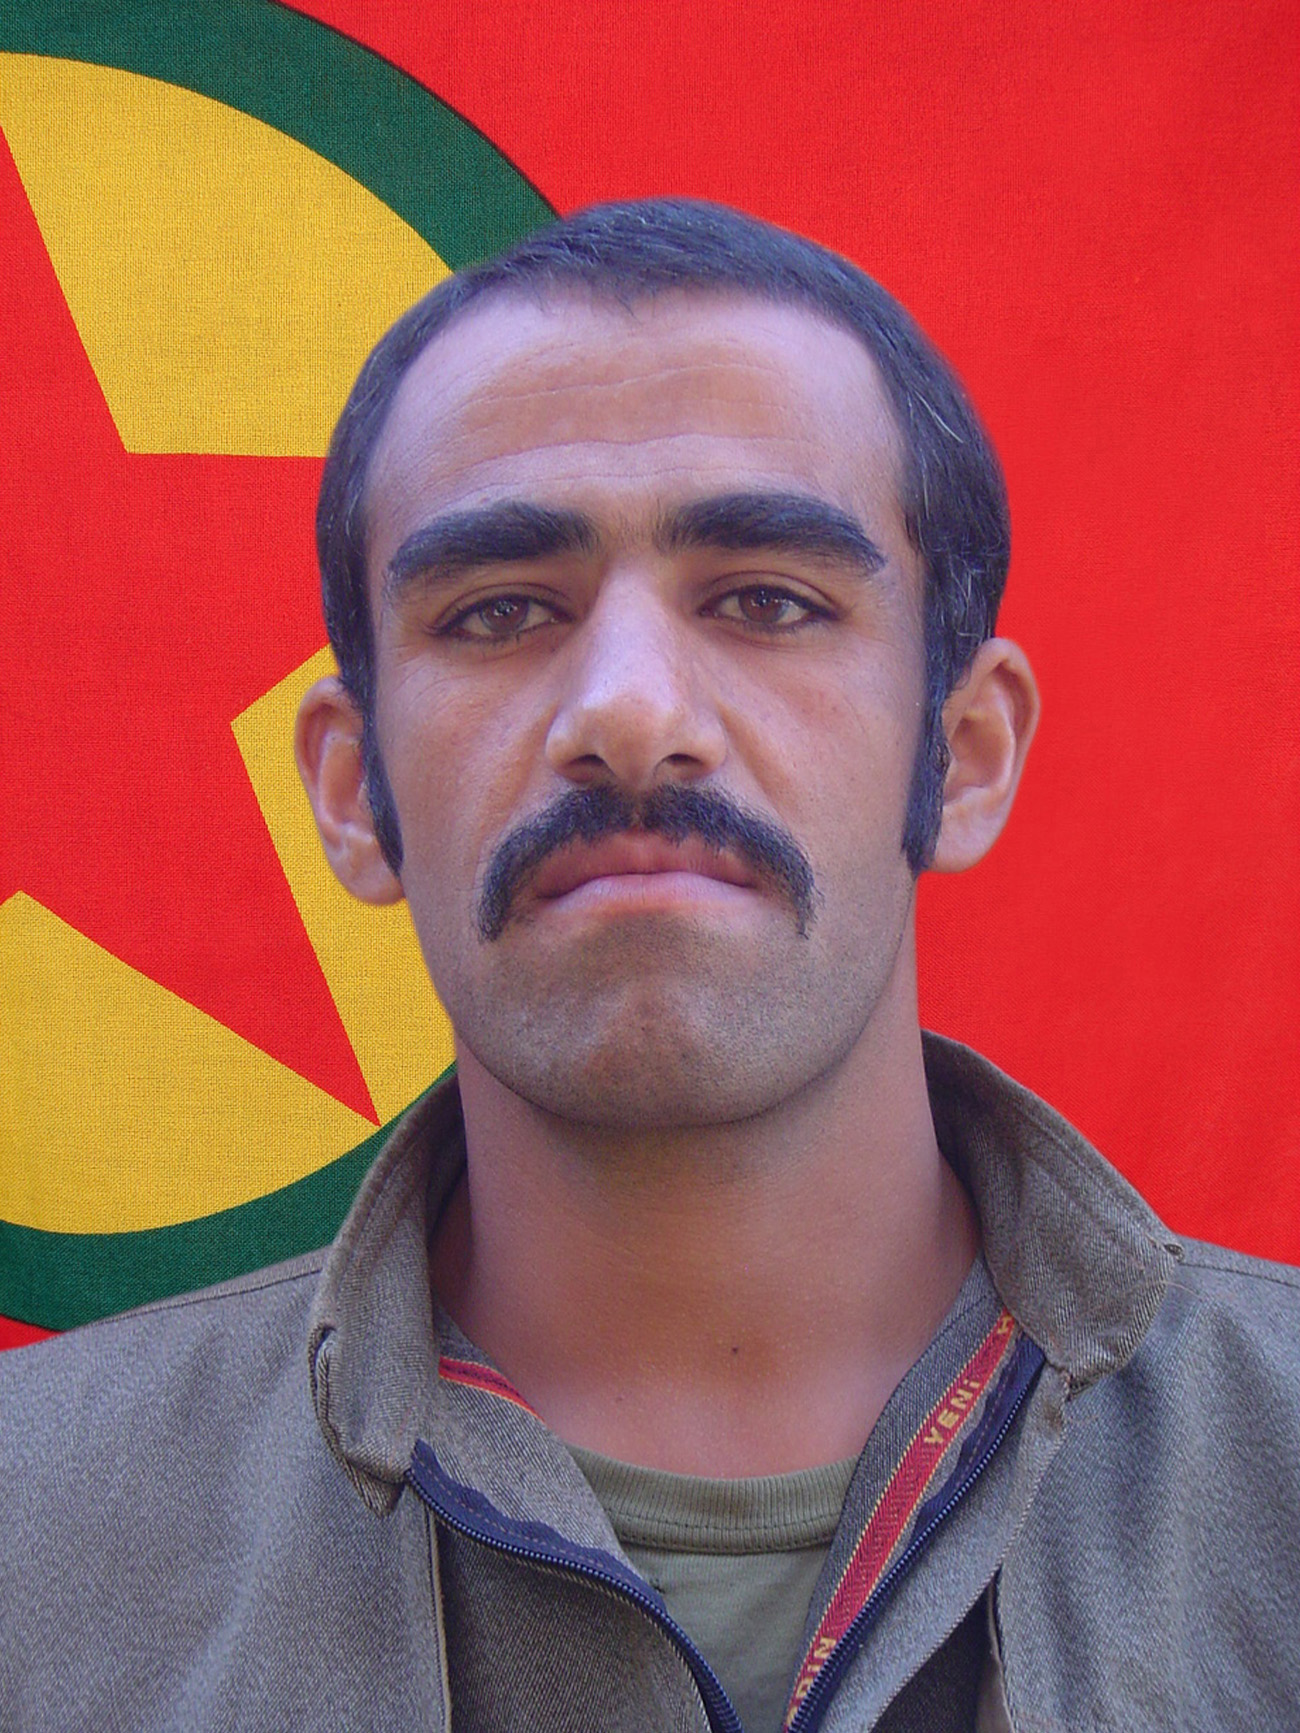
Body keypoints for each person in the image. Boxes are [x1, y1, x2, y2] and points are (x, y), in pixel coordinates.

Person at [2, 199, 1297, 1733]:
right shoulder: (31, 1539)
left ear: (962, 750)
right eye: (499, 611)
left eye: (767, 600)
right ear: (355, 792)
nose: (627, 709)